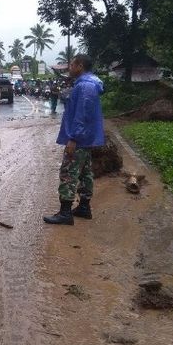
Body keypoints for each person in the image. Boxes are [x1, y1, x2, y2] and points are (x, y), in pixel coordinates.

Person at [43, 54, 104, 225]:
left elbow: (83, 114)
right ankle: (84, 207)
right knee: (85, 172)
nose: (69, 67)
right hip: (86, 138)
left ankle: (65, 213)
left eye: (71, 64)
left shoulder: (85, 86)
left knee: (68, 172)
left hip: (79, 138)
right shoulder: (90, 84)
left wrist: (74, 137)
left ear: (80, 66)